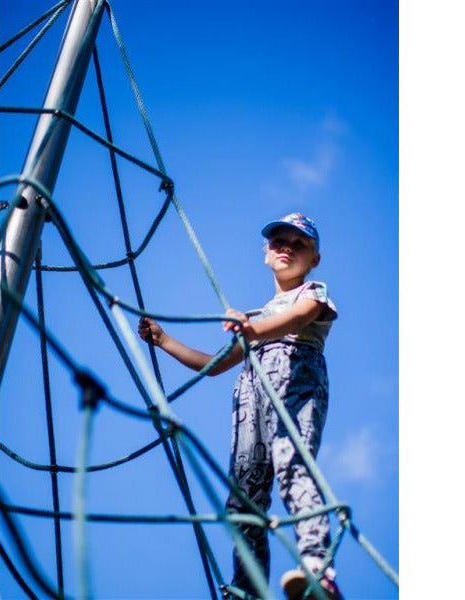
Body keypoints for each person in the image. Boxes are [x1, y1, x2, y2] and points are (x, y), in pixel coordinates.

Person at [138, 213, 342, 600]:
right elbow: (214, 366)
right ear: (265, 254)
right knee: (243, 498)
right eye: (278, 242)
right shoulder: (254, 316)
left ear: (314, 259)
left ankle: (317, 566)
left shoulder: (312, 292)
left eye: (299, 244)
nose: (286, 248)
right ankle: (248, 589)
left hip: (294, 380)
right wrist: (164, 341)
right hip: (250, 398)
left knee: (293, 463)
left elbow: (298, 319)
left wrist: (249, 330)